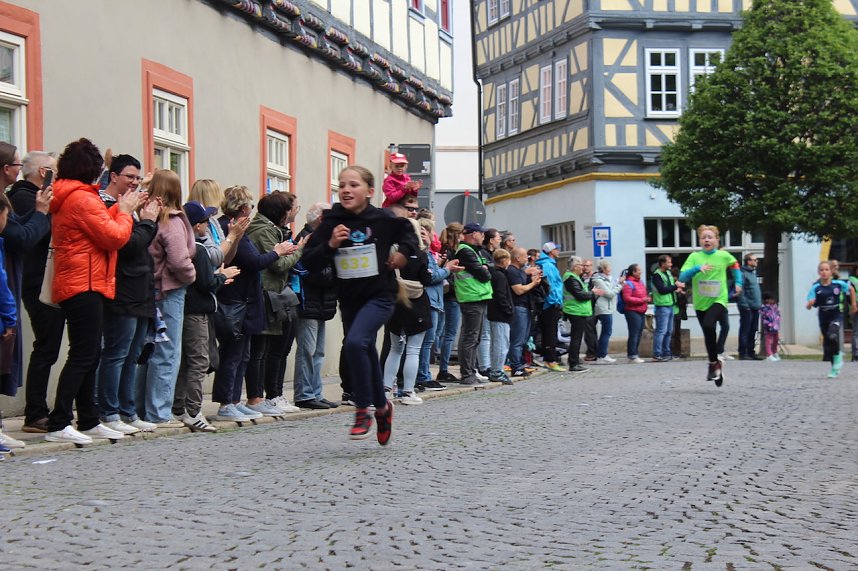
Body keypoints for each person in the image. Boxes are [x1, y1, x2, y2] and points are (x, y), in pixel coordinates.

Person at [301, 165, 417, 444]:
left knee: (354, 344)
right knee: (362, 348)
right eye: (342, 185)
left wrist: (402, 254)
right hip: (350, 299)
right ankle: (383, 407)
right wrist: (329, 245)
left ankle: (363, 408)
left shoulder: (382, 219)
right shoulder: (331, 221)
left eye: (353, 185)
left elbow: (410, 237)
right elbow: (309, 260)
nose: (346, 190)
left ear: (369, 191)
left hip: (380, 296)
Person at [45, 138, 141, 444]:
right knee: (84, 354)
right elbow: (113, 238)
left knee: (90, 352)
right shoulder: (81, 199)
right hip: (83, 281)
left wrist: (119, 212)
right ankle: (60, 421)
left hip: (85, 279)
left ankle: (87, 418)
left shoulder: (78, 197)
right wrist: (125, 212)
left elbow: (100, 229)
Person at [212, 185, 295, 422]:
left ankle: (234, 400)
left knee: (244, 353)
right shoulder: (232, 228)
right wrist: (278, 252)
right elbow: (254, 261)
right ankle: (226, 402)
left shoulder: (241, 229)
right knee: (234, 352)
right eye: (248, 205)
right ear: (242, 207)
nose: (250, 209)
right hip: (236, 298)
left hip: (246, 297)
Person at [97, 155, 161, 434]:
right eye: (129, 177)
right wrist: (147, 222)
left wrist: (146, 219)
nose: (134, 182)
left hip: (141, 290)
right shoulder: (109, 206)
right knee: (116, 353)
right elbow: (129, 245)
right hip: (122, 289)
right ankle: (109, 411)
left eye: (138, 178)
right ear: (113, 176)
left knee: (134, 354)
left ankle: (127, 410)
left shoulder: (131, 208)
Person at [134, 169, 196, 427]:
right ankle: (159, 411)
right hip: (170, 290)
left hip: (151, 290)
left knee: (148, 352)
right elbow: (180, 260)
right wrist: (192, 275)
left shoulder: (148, 219)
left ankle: (141, 408)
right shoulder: (172, 221)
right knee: (168, 353)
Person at [2, 148, 54, 444]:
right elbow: (23, 237)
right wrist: (43, 213)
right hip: (31, 282)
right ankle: (35, 412)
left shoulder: (18, 197)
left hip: (27, 281)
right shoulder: (23, 196)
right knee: (41, 346)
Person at [172, 201, 239, 431]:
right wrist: (222, 276)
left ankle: (179, 407)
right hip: (197, 312)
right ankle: (193, 410)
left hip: (189, 309)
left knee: (187, 362)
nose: (207, 226)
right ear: (198, 226)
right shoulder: (198, 250)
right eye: (205, 222)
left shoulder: (187, 246)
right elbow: (205, 283)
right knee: (199, 361)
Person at [245, 191, 305, 413]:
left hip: (277, 294)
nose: (296, 211)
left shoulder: (273, 230)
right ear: (283, 211)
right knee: (263, 350)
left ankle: (274, 394)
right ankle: (260, 397)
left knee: (277, 349)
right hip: (267, 294)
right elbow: (278, 264)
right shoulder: (263, 231)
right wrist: (299, 251)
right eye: (294, 207)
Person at [679, 225, 743, 386]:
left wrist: (738, 282)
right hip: (701, 302)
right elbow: (682, 275)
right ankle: (715, 364)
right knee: (709, 333)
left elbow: (735, 266)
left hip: (718, 299)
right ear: (700, 240)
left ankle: (714, 363)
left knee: (709, 325)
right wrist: (696, 269)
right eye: (703, 237)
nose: (707, 240)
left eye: (710, 237)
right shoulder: (694, 257)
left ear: (716, 240)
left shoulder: (723, 255)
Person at [292, 203, 339, 409]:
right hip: (308, 301)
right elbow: (312, 272)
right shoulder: (307, 239)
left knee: (318, 351)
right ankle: (304, 393)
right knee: (308, 350)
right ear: (321, 220)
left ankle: (315, 392)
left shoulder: (321, 239)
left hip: (320, 302)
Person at [382, 219, 432, 404]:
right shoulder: (419, 254)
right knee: (413, 350)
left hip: (396, 301)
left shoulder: (390, 253)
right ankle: (408, 391)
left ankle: (387, 389)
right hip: (416, 303)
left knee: (395, 349)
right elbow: (426, 279)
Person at [415, 217, 459, 391]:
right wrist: (447, 269)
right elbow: (431, 277)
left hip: (435, 300)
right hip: (429, 300)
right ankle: (423, 376)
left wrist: (442, 267)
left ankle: (424, 374)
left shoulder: (428, 253)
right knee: (426, 341)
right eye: (428, 232)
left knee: (429, 340)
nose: (434, 235)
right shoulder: (423, 253)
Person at [454, 222, 494, 386]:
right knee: (470, 337)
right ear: (472, 234)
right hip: (472, 297)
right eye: (481, 233)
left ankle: (470, 371)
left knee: (473, 337)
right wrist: (485, 269)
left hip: (477, 297)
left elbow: (489, 267)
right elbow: (484, 275)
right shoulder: (465, 251)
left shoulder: (472, 251)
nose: (483, 236)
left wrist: (486, 268)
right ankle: (467, 374)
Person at [562, 256, 605, 372]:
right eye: (581, 265)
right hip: (575, 311)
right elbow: (580, 295)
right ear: (575, 267)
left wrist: (592, 293)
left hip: (579, 310)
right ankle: (573, 363)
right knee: (576, 338)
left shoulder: (575, 277)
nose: (583, 268)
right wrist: (593, 293)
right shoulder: (570, 278)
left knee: (577, 338)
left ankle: (574, 362)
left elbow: (583, 292)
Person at [806, 261, 848, 378]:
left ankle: (838, 359)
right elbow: (809, 304)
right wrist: (810, 304)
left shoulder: (838, 284)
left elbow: (850, 290)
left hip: (835, 313)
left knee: (832, 335)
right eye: (822, 270)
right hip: (823, 314)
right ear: (819, 272)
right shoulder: (816, 287)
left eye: (826, 270)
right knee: (829, 342)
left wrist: (853, 303)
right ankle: (835, 365)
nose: (824, 272)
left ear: (831, 272)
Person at [506, 247, 541, 377]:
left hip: (525, 307)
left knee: (523, 339)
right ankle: (515, 366)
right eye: (525, 256)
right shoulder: (512, 271)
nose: (528, 258)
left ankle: (519, 364)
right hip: (518, 307)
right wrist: (533, 283)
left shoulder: (520, 271)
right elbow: (519, 290)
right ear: (517, 258)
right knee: (517, 339)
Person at [436, 222, 463, 384]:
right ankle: (443, 369)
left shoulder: (443, 249)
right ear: (456, 234)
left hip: (445, 295)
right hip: (451, 296)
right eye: (461, 233)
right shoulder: (450, 252)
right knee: (449, 334)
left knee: (441, 333)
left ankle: (441, 367)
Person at [534, 242, 565, 372]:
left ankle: (549, 359)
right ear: (551, 251)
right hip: (550, 304)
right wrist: (555, 301)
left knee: (549, 333)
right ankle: (550, 360)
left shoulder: (549, 263)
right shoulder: (547, 265)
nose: (558, 251)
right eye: (556, 249)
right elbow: (549, 285)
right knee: (550, 333)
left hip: (551, 303)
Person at [487, 248, 514, 384]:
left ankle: (495, 369)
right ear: (504, 260)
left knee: (497, 343)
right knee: (501, 344)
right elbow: (501, 296)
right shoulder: (500, 276)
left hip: (494, 314)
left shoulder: (495, 274)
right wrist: (509, 310)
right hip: (500, 315)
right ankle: (497, 371)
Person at [651, 255, 684, 362]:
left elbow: (670, 287)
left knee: (669, 331)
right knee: (661, 331)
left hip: (670, 305)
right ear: (662, 263)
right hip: (662, 306)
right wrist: (676, 286)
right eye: (669, 262)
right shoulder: (657, 275)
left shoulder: (668, 273)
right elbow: (662, 290)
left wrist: (676, 288)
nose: (671, 264)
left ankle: (667, 352)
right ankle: (657, 354)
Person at [588, 260, 621, 364]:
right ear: (604, 269)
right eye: (608, 267)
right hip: (603, 308)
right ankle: (602, 355)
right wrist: (619, 286)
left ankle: (602, 354)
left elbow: (610, 290)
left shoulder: (606, 279)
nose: (610, 269)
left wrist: (616, 284)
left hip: (607, 307)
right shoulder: (598, 279)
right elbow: (609, 293)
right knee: (606, 332)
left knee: (606, 331)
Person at [737, 253, 763, 360]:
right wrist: (744, 304)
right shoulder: (743, 273)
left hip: (755, 306)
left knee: (753, 330)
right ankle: (743, 352)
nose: (756, 262)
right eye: (754, 260)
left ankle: (751, 351)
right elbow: (741, 291)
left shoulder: (753, 273)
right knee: (745, 329)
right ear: (748, 261)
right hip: (747, 306)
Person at [621, 263, 649, 363]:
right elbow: (627, 298)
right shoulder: (628, 283)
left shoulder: (640, 282)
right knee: (634, 333)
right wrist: (642, 300)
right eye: (639, 270)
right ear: (634, 272)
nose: (641, 271)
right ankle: (632, 355)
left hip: (641, 310)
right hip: (632, 311)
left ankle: (634, 353)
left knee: (639, 332)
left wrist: (646, 299)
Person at [581, 259, 598, 362]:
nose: (585, 268)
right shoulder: (581, 278)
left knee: (590, 331)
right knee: (589, 331)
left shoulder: (595, 277)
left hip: (592, 307)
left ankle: (592, 353)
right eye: (584, 266)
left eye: (587, 266)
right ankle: (592, 351)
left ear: (591, 266)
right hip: (585, 307)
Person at [760, 291, 781, 362]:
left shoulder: (774, 307)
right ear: (767, 300)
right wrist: (768, 325)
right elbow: (764, 318)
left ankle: (774, 352)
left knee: (776, 340)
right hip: (769, 327)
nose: (773, 301)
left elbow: (777, 315)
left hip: (775, 327)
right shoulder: (764, 308)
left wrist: (777, 322)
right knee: (768, 341)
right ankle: (769, 354)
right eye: (771, 299)